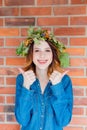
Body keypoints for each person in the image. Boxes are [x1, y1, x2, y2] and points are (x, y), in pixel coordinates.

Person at [15, 27, 73, 130]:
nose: (42, 55)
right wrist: (26, 87)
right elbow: (22, 120)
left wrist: (57, 87)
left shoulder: (64, 81)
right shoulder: (22, 79)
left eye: (47, 50)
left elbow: (64, 120)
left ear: (53, 54)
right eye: (37, 50)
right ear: (31, 54)